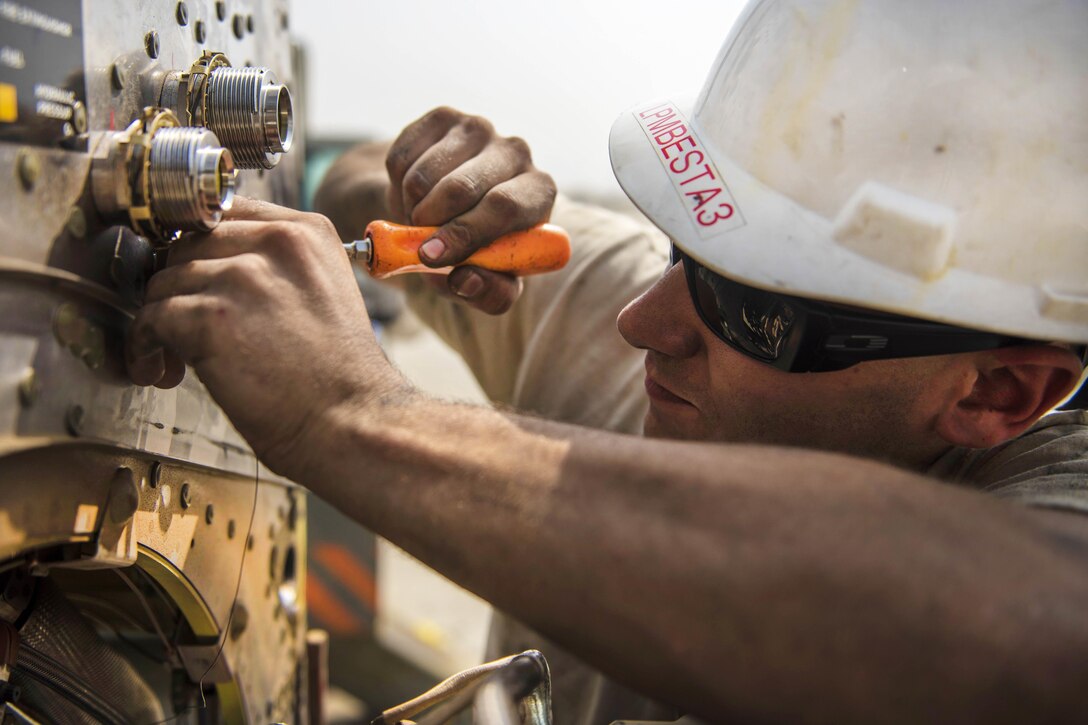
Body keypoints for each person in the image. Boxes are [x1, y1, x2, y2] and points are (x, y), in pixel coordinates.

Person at [126, 0, 1088, 721]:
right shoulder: (667, 345)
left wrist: (355, 416)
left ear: (998, 391)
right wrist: (415, 181)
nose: (642, 319)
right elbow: (342, 189)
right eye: (681, 250)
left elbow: (1036, 640)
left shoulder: (1045, 503)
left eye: (750, 306)